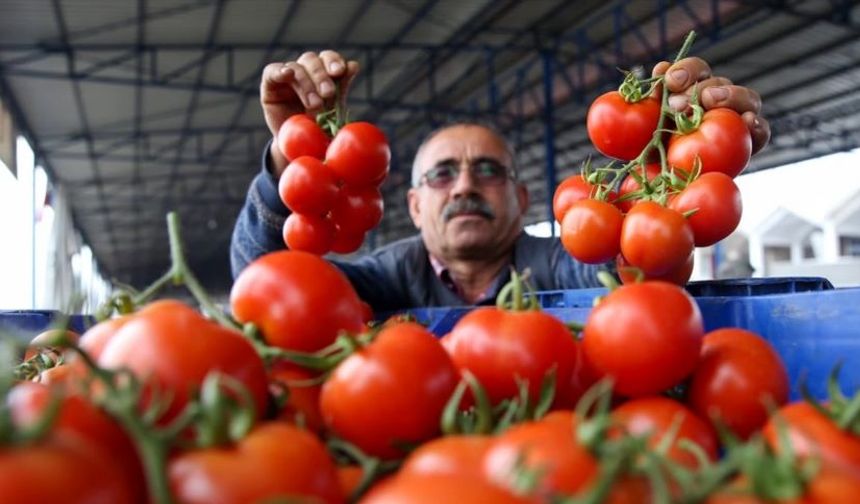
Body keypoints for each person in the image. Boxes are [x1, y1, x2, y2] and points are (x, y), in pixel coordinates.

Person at [231, 51, 771, 312]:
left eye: (488, 170)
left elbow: (630, 268)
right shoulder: (386, 278)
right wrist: (291, 162)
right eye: (442, 174)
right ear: (415, 206)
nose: (464, 185)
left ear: (521, 198)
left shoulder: (561, 263)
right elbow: (266, 287)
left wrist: (678, 166)